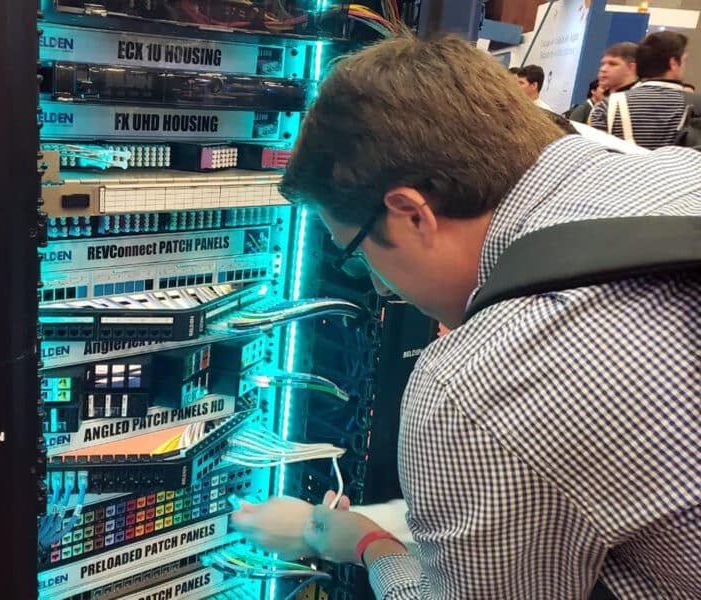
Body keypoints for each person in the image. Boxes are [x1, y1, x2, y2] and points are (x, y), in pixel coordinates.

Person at [231, 33, 701, 600]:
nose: (379, 286)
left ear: (411, 214)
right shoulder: (677, 171)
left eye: (356, 258)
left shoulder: (475, 384)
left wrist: (361, 543)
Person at [591, 31, 690, 149]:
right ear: (673, 63)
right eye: (684, 61)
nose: (603, 69)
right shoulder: (694, 106)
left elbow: (595, 153)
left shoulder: (606, 106)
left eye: (612, 64)